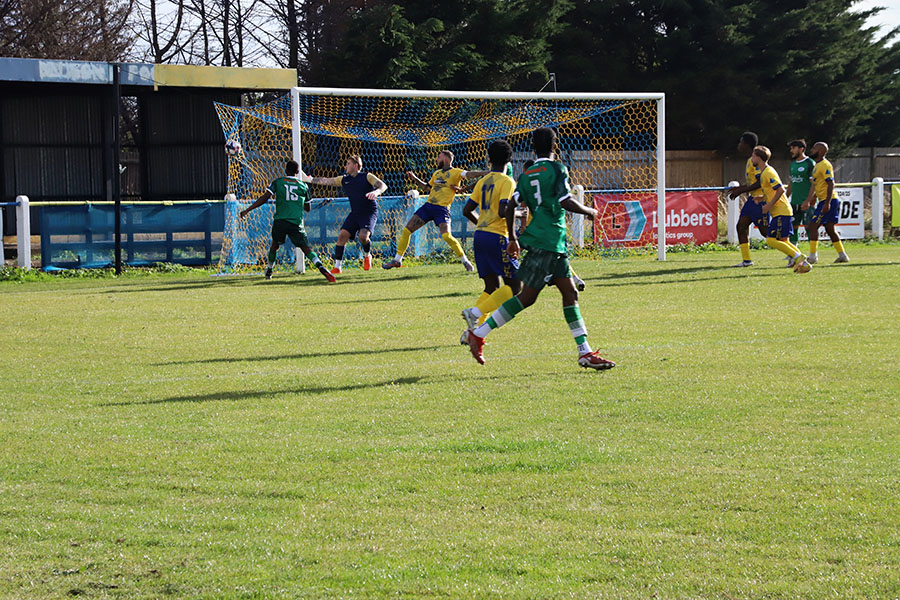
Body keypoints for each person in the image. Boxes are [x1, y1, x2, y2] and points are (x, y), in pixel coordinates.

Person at [465, 128, 614, 370]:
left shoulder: (526, 175)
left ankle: (584, 351)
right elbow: (565, 200)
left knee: (564, 293)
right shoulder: (557, 169)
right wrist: (589, 211)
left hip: (547, 243)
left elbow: (510, 206)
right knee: (530, 297)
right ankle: (478, 333)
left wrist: (513, 238)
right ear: (555, 146)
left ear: (534, 148)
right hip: (547, 242)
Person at [459, 140, 521, 342]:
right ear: (510, 160)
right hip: (497, 237)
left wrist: (483, 224)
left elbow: (467, 210)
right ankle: (474, 313)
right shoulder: (507, 181)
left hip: (480, 236)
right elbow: (504, 211)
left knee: (491, 287)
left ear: (488, 159)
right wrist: (519, 215)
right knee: (516, 286)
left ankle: (472, 331)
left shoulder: (483, 181)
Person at [382, 150, 485, 271]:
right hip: (428, 207)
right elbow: (427, 187)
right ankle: (397, 260)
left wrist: (485, 172)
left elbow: (470, 174)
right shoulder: (436, 173)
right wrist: (414, 178)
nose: (436, 159)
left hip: (442, 209)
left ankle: (465, 261)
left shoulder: (456, 172)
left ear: (446, 158)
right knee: (407, 230)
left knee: (447, 236)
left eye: (439, 157)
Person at [239, 160, 336, 283]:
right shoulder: (303, 186)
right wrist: (298, 203)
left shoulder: (278, 182)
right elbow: (308, 208)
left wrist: (247, 210)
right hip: (296, 222)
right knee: (306, 248)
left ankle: (269, 269)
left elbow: (265, 198)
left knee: (275, 245)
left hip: (281, 221)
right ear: (297, 171)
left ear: (285, 170)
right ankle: (321, 267)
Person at [308, 155, 387, 274]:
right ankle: (337, 267)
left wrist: (376, 192)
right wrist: (310, 179)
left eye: (348, 163)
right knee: (342, 236)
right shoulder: (344, 179)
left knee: (363, 237)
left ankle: (367, 256)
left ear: (356, 165)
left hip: (368, 212)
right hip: (355, 213)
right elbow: (327, 181)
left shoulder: (367, 176)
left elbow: (383, 185)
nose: (346, 166)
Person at [752, 146, 811, 273]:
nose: (751, 159)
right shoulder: (765, 172)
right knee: (784, 240)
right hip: (782, 211)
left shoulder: (768, 172)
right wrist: (762, 198)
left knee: (770, 240)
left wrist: (769, 205)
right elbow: (773, 191)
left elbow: (780, 190)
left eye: (753, 156)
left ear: (758, 158)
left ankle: (797, 257)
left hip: (781, 211)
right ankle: (804, 264)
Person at [802, 142, 849, 264]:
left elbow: (831, 183)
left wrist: (827, 203)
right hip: (824, 200)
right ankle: (842, 255)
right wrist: (809, 199)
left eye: (814, 148)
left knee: (812, 226)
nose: (811, 150)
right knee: (830, 229)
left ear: (821, 151)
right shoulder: (817, 165)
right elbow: (815, 185)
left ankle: (813, 257)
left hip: (829, 200)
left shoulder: (825, 165)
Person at [727, 132, 769, 267]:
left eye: (741, 142)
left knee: (766, 232)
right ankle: (746, 261)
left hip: (759, 200)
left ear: (746, 144)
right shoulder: (750, 161)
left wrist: (740, 190)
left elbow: (760, 182)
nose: (739, 145)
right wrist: (740, 188)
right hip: (752, 200)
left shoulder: (755, 161)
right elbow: (752, 183)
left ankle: (793, 253)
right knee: (741, 226)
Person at [786, 139, 816, 249]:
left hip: (807, 203)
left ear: (801, 149)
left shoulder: (810, 163)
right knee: (793, 227)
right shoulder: (793, 164)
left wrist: (808, 200)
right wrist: (785, 198)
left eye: (793, 148)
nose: (791, 150)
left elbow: (814, 184)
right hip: (794, 202)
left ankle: (813, 253)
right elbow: (791, 183)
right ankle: (794, 252)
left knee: (809, 227)